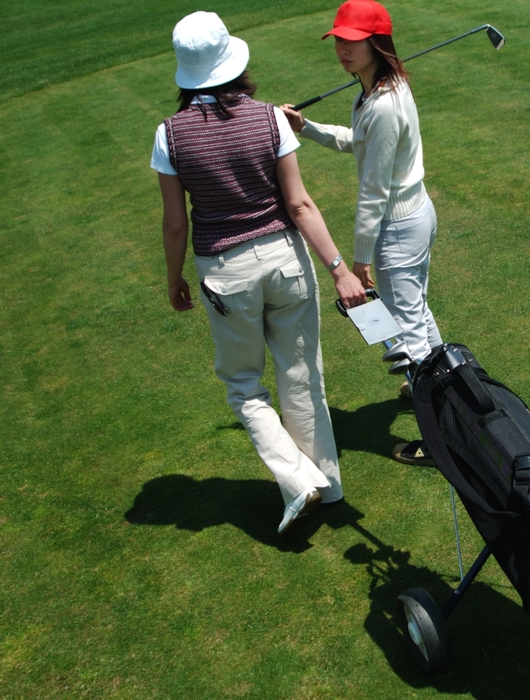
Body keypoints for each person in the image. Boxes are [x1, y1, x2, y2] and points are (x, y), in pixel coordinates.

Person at [150, 11, 366, 534]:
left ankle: (298, 481)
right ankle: (329, 486)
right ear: (233, 63)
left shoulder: (169, 135)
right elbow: (300, 205)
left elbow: (176, 223)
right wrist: (338, 268)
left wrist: (173, 278)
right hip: (287, 263)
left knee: (245, 386)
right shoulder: (269, 118)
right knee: (302, 377)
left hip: (225, 273)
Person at [282, 0, 439, 467]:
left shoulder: (385, 104)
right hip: (410, 218)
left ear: (376, 42)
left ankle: (442, 440)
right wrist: (306, 128)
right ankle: (439, 386)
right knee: (418, 317)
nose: (344, 50)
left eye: (354, 41)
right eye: (340, 42)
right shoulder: (374, 92)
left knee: (408, 331)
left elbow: (373, 191)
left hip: (397, 226)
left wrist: (360, 257)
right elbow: (357, 140)